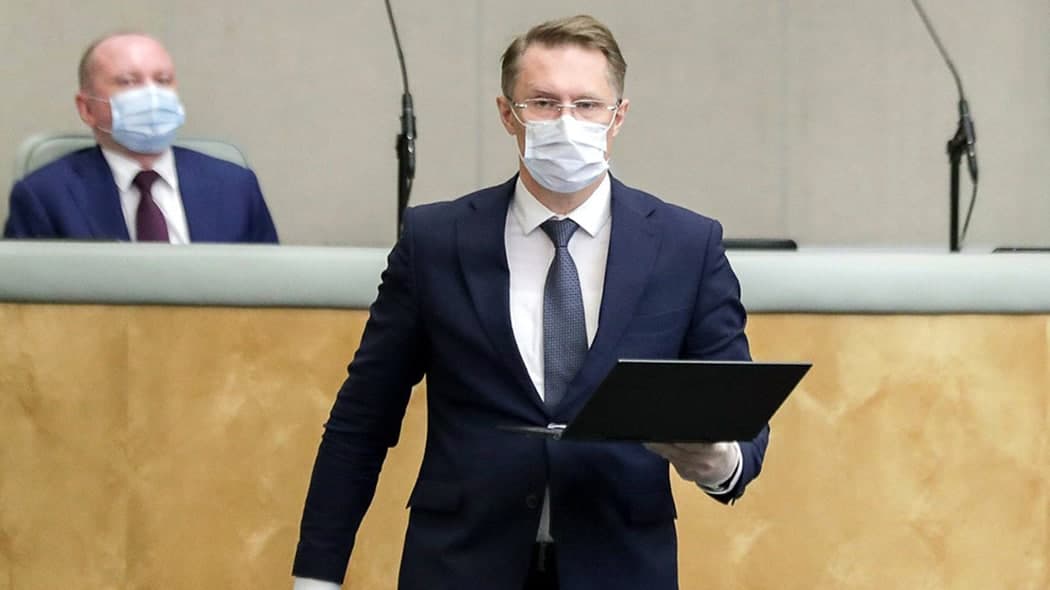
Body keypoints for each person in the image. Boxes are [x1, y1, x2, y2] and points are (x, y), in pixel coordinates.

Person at [292, 14, 767, 590]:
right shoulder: (436, 242)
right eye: (543, 103)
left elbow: (737, 403)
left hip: (620, 565)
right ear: (507, 114)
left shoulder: (686, 245)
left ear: (618, 116)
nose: (566, 121)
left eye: (586, 105)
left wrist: (722, 463)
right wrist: (317, 576)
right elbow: (361, 421)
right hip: (459, 565)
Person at [3, 32, 278, 243]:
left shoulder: (236, 186)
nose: (152, 95)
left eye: (163, 80)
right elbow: (25, 296)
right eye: (128, 81)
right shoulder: (45, 195)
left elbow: (269, 287)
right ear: (86, 109)